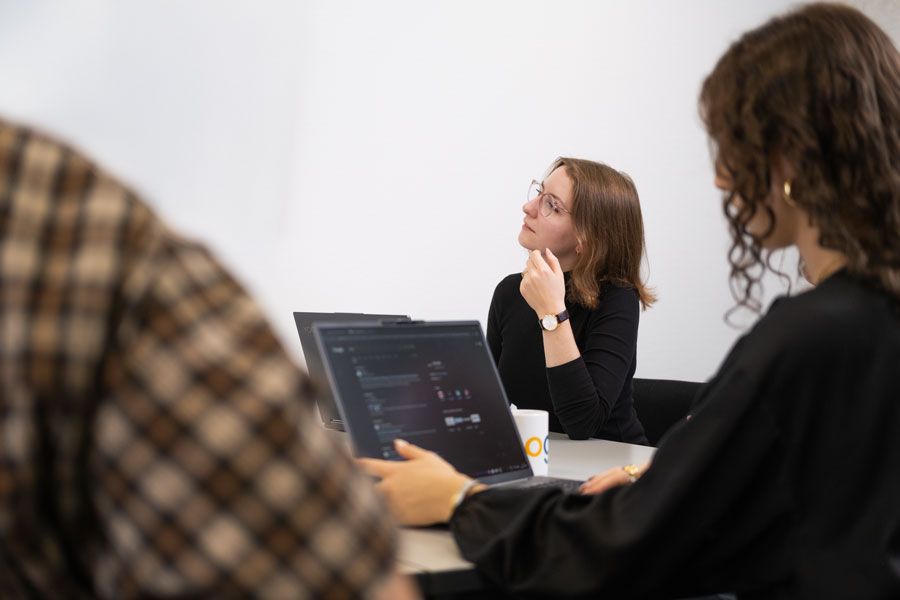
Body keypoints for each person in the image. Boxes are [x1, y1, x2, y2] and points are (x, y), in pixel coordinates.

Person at [360, 3, 900, 598]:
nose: (722, 178)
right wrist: (664, 486)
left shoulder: (812, 340)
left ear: (791, 156)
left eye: (734, 146)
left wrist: (460, 502)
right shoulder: (869, 324)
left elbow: (617, 549)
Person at [0, 119, 415, 598]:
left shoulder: (78, 231)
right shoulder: (506, 296)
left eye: (530, 189)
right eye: (527, 189)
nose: (526, 205)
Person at [489, 157, 655, 443]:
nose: (528, 208)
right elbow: (491, 403)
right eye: (539, 193)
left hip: (610, 470)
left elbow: (583, 423)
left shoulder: (617, 298)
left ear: (586, 238)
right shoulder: (509, 292)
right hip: (538, 463)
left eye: (552, 205)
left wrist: (551, 312)